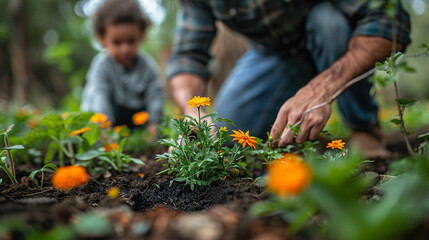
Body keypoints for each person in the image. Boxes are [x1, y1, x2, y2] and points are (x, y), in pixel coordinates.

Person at [167, 0, 411, 158]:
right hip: (272, 53)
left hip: (332, 36)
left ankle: (363, 128)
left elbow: (388, 20)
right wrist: (193, 112)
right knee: (226, 137)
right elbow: (188, 56)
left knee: (329, 22)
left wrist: (322, 88)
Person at [81, 0, 164, 135]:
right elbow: (99, 96)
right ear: (102, 39)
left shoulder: (147, 65)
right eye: (117, 43)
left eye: (131, 41)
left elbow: (155, 94)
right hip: (110, 117)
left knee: (159, 126)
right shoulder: (102, 65)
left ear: (141, 35)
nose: (125, 49)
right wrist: (105, 129)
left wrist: (154, 123)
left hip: (137, 120)